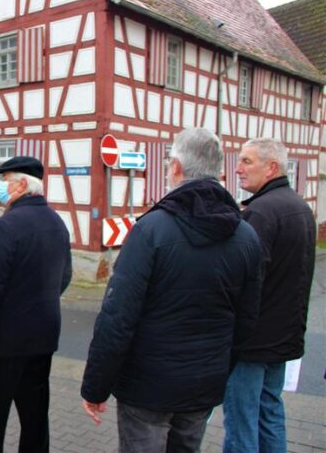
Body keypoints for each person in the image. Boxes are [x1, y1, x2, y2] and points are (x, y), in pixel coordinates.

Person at [80, 128, 262, 452]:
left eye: (167, 164)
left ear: (176, 167)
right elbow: (247, 322)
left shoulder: (150, 231)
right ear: (219, 172)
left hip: (146, 388)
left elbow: (117, 318)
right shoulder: (246, 237)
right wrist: (218, 369)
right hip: (202, 386)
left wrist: (96, 387)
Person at [0, 156, 72, 453]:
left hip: (3, 342)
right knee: (35, 419)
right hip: (43, 339)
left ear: (22, 184)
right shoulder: (57, 223)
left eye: (4, 180)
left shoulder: (9, 224)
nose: (0, 188)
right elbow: (65, 277)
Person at [223, 138, 316, 452]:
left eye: (247, 161)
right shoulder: (301, 208)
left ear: (272, 167)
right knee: (270, 412)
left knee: (241, 422)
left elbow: (246, 281)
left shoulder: (260, 213)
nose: (237, 169)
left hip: (252, 343)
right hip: (282, 338)